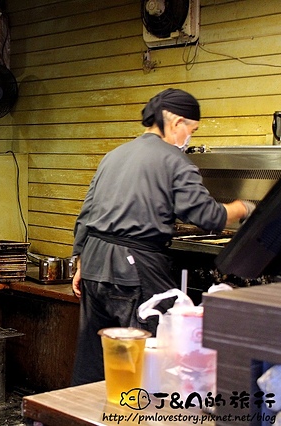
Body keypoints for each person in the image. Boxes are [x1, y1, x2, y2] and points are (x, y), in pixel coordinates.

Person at [69, 88, 254, 387]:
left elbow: (88, 212)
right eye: (191, 130)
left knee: (95, 357)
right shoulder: (174, 160)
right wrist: (246, 208)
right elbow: (207, 216)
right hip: (133, 268)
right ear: (177, 121)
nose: (189, 137)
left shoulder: (114, 155)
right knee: (149, 356)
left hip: (93, 264)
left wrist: (80, 262)